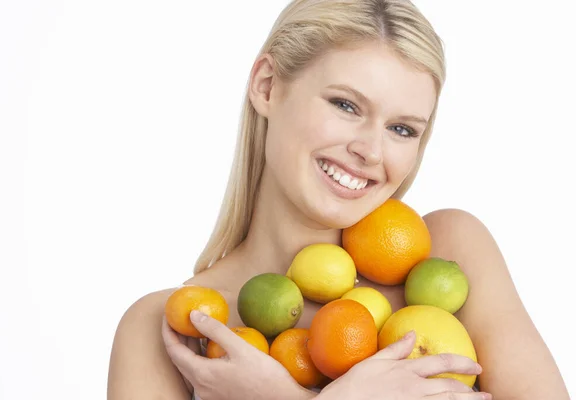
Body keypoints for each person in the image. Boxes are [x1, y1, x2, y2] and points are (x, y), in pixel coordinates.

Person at [107, 0, 570, 399]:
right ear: (267, 86)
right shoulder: (177, 327)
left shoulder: (450, 251)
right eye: (346, 105)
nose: (370, 151)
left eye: (401, 129)